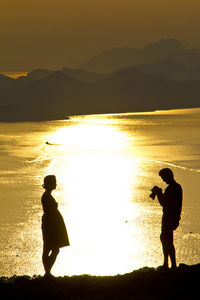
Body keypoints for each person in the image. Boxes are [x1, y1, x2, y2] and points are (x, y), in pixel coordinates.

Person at [151, 168, 182, 270]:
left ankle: (170, 265)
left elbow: (165, 204)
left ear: (168, 176)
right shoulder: (176, 187)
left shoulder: (172, 188)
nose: (163, 180)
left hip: (170, 217)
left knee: (166, 239)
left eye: (163, 177)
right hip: (171, 217)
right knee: (166, 239)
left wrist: (159, 193)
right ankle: (169, 264)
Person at [41, 175, 69, 277]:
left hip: (52, 224)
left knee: (52, 249)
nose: (55, 184)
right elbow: (49, 212)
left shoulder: (47, 196)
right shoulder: (46, 196)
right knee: (49, 248)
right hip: (50, 225)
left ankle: (48, 272)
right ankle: (47, 272)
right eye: (54, 182)